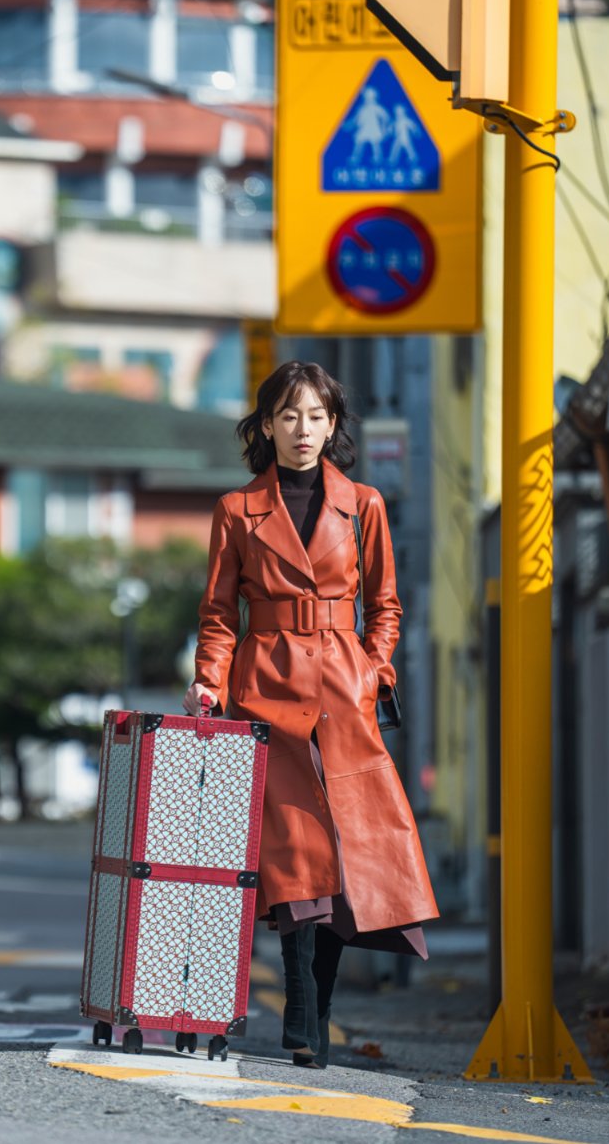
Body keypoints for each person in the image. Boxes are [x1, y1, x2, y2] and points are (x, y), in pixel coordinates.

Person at [182, 360, 438, 1070]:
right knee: (296, 855)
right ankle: (301, 1011)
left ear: (333, 425)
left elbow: (385, 605)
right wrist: (208, 683)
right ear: (266, 424)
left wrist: (375, 668)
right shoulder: (236, 511)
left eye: (317, 416)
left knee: (351, 859)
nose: (303, 430)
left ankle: (316, 1010)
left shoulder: (364, 505)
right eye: (289, 416)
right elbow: (217, 612)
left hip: (344, 691)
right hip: (265, 685)